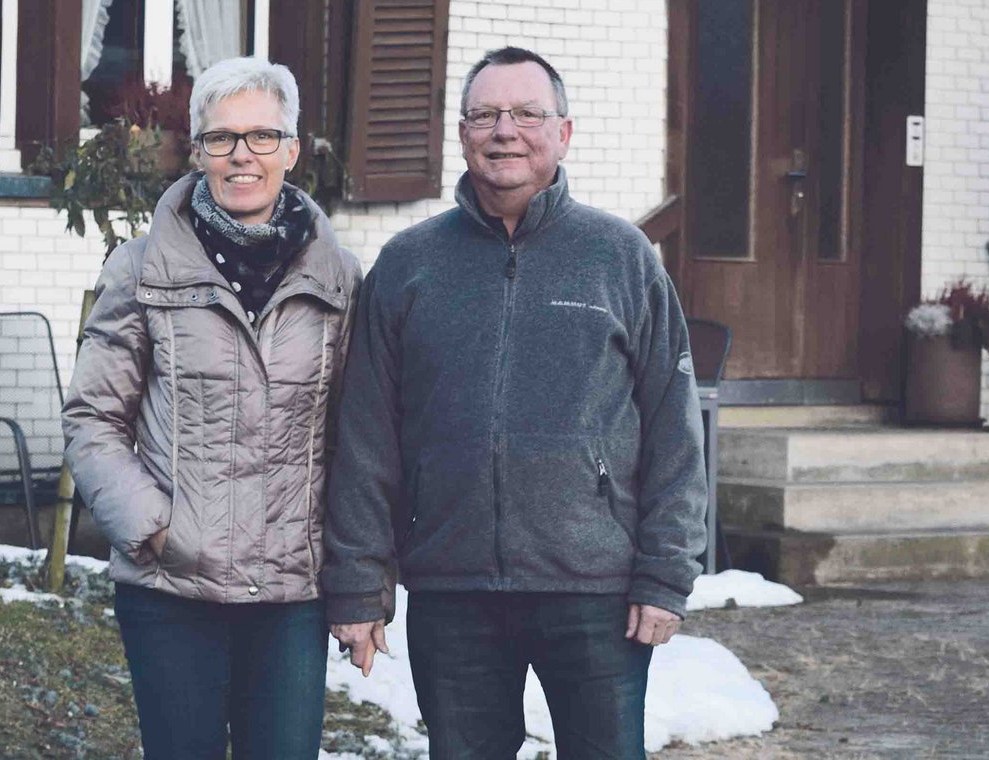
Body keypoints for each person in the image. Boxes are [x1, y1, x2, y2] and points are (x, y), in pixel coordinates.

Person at [322, 46, 707, 759]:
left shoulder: (620, 257)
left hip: (596, 591)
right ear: (462, 133)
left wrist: (666, 572)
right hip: (452, 586)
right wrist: (356, 583)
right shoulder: (409, 265)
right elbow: (366, 435)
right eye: (485, 114)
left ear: (563, 133)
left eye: (528, 114)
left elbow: (673, 429)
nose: (505, 130)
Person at [62, 56, 361, 760]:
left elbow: (358, 435)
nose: (241, 156)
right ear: (198, 153)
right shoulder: (141, 268)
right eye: (221, 139)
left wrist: (356, 569)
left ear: (292, 150)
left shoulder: (340, 278)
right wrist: (153, 528)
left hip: (291, 589)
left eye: (262, 136)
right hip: (172, 587)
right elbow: (92, 419)